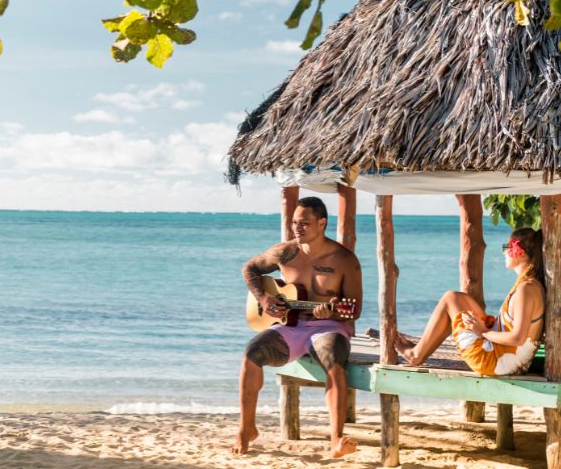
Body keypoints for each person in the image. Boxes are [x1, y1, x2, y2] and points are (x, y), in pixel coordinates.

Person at [233, 196, 362, 458]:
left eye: (304, 223)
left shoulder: (343, 259)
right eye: (294, 222)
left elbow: (354, 310)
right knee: (251, 355)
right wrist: (263, 298)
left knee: (334, 363)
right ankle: (247, 428)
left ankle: (336, 438)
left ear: (322, 223)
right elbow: (250, 269)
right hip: (291, 325)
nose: (297, 228)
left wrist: (333, 310)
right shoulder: (286, 252)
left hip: (329, 326)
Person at [394, 228, 545, 376]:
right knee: (458, 299)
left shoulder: (526, 289)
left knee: (450, 298)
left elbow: (517, 338)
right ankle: (421, 350)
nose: (503, 251)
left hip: (496, 362)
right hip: (509, 360)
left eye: (506, 246)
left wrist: (483, 331)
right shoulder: (531, 285)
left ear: (519, 252)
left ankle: (416, 354)